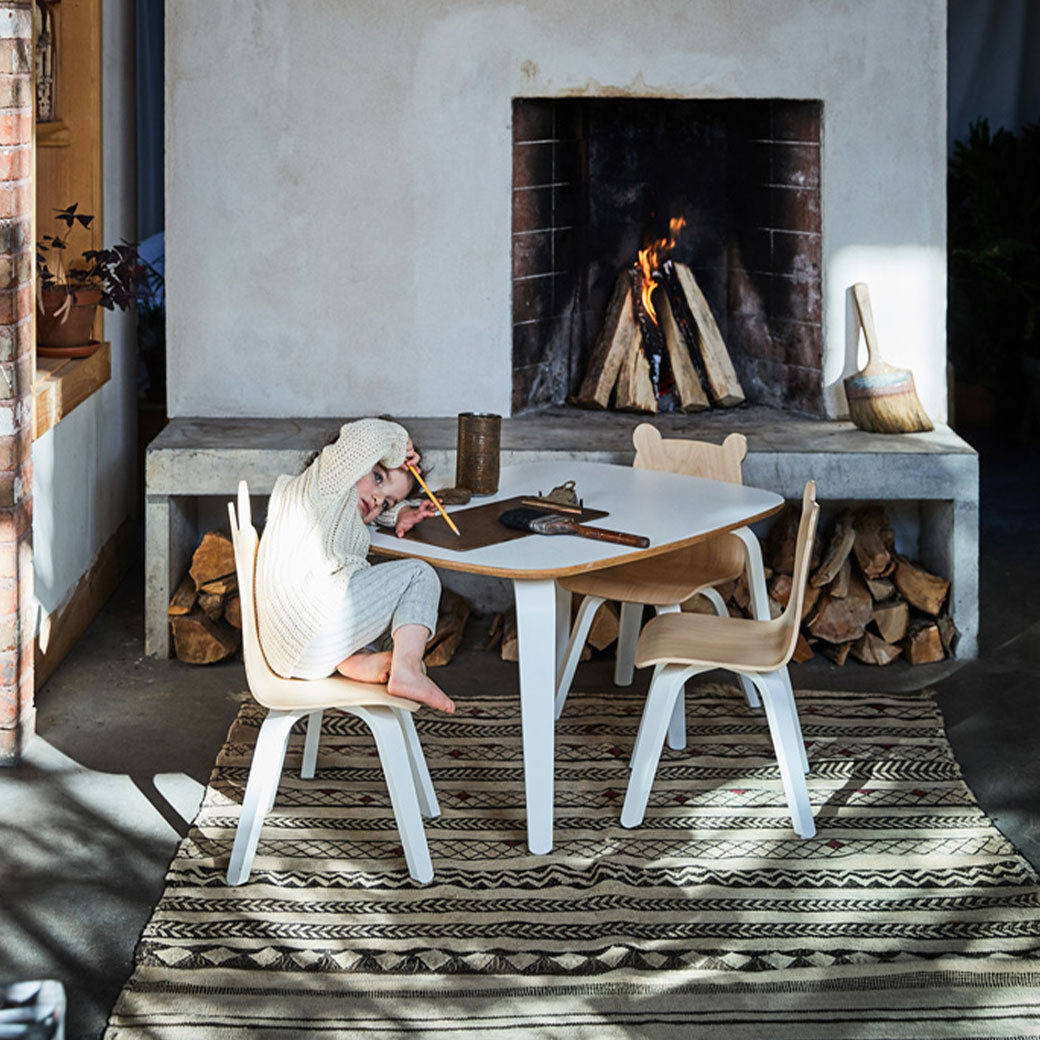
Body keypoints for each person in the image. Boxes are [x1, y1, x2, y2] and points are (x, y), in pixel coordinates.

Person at [255, 417, 455, 713]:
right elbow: (363, 438)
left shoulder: (328, 501)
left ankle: (358, 660)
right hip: (308, 628)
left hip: (289, 651)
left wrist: (398, 515)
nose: (377, 500)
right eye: (378, 476)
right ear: (352, 458)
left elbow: (359, 509)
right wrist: (400, 443)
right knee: (419, 576)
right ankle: (408, 670)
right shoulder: (326, 479)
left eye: (386, 503)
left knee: (382, 611)